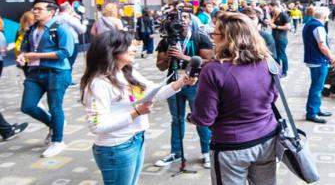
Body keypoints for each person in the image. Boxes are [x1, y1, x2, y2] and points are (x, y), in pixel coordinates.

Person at [81, 30, 196, 185]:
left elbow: (154, 93)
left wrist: (182, 82)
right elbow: (97, 125)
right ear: (112, 50)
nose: (135, 49)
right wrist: (136, 112)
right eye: (129, 45)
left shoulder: (128, 71)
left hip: (136, 139)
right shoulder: (99, 83)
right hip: (116, 147)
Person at [189, 13, 279, 185]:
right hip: (267, 140)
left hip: (231, 147)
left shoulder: (213, 70)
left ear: (227, 38)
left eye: (214, 34)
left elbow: (205, 118)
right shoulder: (271, 63)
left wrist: (190, 117)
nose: (212, 38)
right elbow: (272, 99)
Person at [154, 10, 214, 169]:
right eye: (177, 18)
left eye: (185, 17)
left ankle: (207, 152)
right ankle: (176, 152)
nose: (181, 20)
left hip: (196, 85)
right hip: (173, 84)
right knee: (177, 119)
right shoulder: (167, 41)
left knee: (201, 118)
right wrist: (168, 57)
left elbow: (210, 61)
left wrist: (184, 57)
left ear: (191, 20)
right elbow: (160, 66)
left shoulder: (200, 37)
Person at [17, 0, 76, 158]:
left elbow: (65, 52)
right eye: (34, 9)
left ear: (51, 12)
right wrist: (23, 57)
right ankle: (55, 125)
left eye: (39, 9)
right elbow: (24, 49)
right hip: (34, 73)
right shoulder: (30, 30)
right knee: (27, 106)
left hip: (56, 72)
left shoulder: (61, 29)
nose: (35, 11)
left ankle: (58, 140)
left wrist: (36, 56)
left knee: (55, 107)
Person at [303, 7, 335, 124]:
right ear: (324, 17)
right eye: (327, 17)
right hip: (318, 60)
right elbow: (322, 46)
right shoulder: (318, 26)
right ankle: (312, 113)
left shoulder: (309, 23)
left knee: (318, 87)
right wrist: (331, 57)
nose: (327, 19)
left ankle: (316, 109)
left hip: (313, 59)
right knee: (317, 88)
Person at [55, 2, 86, 69]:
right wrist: (84, 23)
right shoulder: (70, 18)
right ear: (68, 9)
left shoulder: (55, 18)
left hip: (57, 43)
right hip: (72, 43)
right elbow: (82, 30)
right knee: (69, 64)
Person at [268, 3, 291, 76]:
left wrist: (276, 27)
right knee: (275, 55)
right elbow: (270, 23)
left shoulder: (283, 15)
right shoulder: (273, 14)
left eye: (271, 8)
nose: (270, 10)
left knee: (282, 55)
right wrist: (274, 16)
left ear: (276, 7)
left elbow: (288, 27)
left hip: (281, 38)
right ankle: (278, 71)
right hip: (274, 37)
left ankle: (284, 71)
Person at [14, 11, 35, 75]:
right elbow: (16, 43)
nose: (28, 23)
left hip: (33, 59)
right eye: (26, 21)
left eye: (30, 21)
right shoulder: (19, 31)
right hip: (22, 58)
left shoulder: (35, 31)